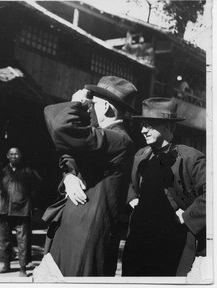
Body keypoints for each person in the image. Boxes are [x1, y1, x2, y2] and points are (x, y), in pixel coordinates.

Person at [33, 76, 138, 279]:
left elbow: (63, 130)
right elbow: (68, 151)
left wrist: (75, 104)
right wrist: (69, 175)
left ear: (106, 108)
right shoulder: (102, 135)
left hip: (86, 236)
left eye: (92, 104)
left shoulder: (120, 140)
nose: (88, 108)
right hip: (72, 229)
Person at [122, 97, 206, 277]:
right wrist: (132, 198)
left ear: (168, 127)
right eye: (143, 124)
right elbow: (126, 180)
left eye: (150, 125)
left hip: (173, 241)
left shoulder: (190, 158)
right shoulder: (141, 155)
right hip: (140, 241)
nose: (143, 130)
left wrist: (186, 216)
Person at [0, 147, 42, 276]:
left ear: (20, 156)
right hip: (4, 210)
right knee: (3, 238)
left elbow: (37, 184)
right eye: (11, 154)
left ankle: (23, 269)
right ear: (7, 156)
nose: (14, 156)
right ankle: (6, 265)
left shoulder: (27, 171)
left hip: (22, 210)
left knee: (23, 240)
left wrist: (27, 198)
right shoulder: (2, 171)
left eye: (16, 154)